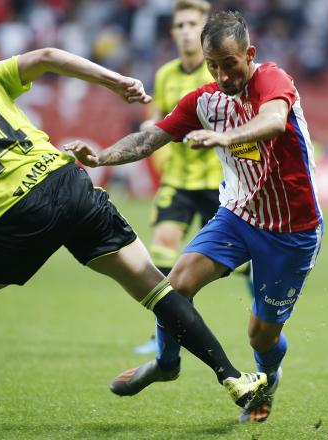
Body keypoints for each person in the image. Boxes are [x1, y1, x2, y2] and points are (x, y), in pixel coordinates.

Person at [0, 48, 268, 433]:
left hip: (20, 215)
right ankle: (233, 377)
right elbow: (49, 55)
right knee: (155, 286)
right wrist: (114, 81)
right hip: (69, 182)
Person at [65, 11, 323, 424]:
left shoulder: (274, 79)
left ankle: (267, 377)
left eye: (229, 63)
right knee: (176, 284)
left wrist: (226, 137)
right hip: (238, 216)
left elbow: (274, 122)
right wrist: (101, 157)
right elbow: (151, 137)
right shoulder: (205, 101)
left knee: (261, 334)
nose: (221, 75)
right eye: (212, 65)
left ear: (249, 54)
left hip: (292, 230)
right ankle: (167, 363)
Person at [132, 0, 252, 356]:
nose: (185, 31)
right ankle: (167, 332)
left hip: (220, 182)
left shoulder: (219, 72)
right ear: (173, 31)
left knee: (245, 263)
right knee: (163, 247)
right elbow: (157, 116)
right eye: (180, 24)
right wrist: (150, 125)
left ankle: (262, 317)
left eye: (192, 24)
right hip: (179, 180)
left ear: (203, 32)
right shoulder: (166, 73)